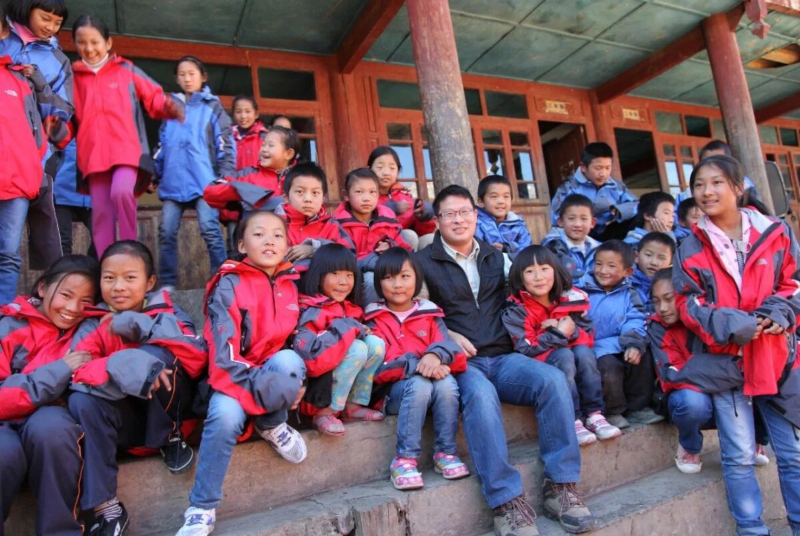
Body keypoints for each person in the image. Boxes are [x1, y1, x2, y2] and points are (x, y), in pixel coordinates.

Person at [416, 185, 594, 535]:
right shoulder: (422, 262)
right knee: (482, 397)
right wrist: (447, 335)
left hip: (505, 355)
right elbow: (416, 311)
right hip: (463, 362)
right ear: (437, 220)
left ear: (475, 215)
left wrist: (562, 316)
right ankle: (505, 502)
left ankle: (561, 487)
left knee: (552, 380)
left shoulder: (497, 257)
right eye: (449, 214)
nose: (458, 220)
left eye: (464, 212)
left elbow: (536, 290)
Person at [674, 154, 800, 536]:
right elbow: (687, 303)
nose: (706, 191)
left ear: (738, 187)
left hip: (778, 358)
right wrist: (733, 324)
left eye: (716, 182)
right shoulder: (690, 246)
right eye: (699, 185)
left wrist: (778, 313)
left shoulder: (775, 231)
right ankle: (752, 530)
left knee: (793, 454)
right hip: (726, 363)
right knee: (740, 456)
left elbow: (794, 282)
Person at [176, 210, 307, 536]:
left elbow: (293, 341)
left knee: (291, 361)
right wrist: (274, 387)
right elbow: (224, 358)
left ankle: (271, 424)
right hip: (231, 376)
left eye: (278, 235)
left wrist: (296, 383)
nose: (270, 241)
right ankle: (201, 507)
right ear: (242, 245)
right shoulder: (228, 284)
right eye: (259, 234)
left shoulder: (289, 283)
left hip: (267, 372)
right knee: (224, 415)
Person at [68, 241, 206, 535]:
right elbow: (77, 370)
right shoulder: (93, 323)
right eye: (109, 278)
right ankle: (106, 507)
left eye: (130, 278)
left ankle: (169, 437)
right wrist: (119, 365)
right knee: (81, 400)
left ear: (150, 282)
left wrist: (139, 328)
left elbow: (197, 359)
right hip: (126, 418)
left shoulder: (168, 311)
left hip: (170, 412)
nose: (118, 287)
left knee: (158, 357)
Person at [71, 14, 184, 257]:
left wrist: (169, 106)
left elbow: (153, 97)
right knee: (101, 212)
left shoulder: (126, 70)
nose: (89, 48)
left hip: (126, 151)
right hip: (92, 155)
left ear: (108, 43)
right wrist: (54, 129)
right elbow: (67, 117)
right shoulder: (73, 77)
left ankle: (130, 251)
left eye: (95, 42)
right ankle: (107, 264)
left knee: (121, 192)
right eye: (82, 42)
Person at [0, 255, 98, 536]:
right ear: (42, 288)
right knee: (4, 452)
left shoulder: (87, 332)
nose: (72, 308)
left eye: (85, 301)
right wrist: (60, 370)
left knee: (54, 430)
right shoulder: (9, 324)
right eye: (66, 295)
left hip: (48, 417)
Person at [366, 247, 468, 490]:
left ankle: (445, 453)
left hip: (434, 391)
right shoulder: (374, 319)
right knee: (420, 383)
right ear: (378, 283)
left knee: (447, 382)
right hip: (393, 395)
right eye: (389, 277)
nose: (398, 284)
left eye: (405, 276)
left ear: (417, 279)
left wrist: (436, 355)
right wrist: (421, 365)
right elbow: (380, 370)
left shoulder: (430, 315)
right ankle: (404, 459)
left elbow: (455, 355)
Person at [502, 245, 620, 446]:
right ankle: (572, 418)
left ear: (556, 271)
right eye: (530, 271)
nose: (538, 277)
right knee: (564, 356)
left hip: (571, 353)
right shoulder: (516, 309)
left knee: (584, 353)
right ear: (519, 278)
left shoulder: (571, 299)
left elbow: (588, 337)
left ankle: (594, 414)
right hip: (542, 362)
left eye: (544, 269)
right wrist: (557, 334)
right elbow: (526, 347)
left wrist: (567, 330)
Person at [2, 0, 75, 274]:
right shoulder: (3, 37)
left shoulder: (58, 59)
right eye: (45, 18)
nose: (50, 27)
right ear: (26, 9)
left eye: (57, 23)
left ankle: (45, 290)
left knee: (16, 247)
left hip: (32, 159)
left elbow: (63, 112)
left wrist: (39, 83)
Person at [155, 55, 232, 290]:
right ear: (177, 79)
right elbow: (161, 146)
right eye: (182, 74)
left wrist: (225, 177)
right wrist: (155, 173)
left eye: (192, 74)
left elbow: (226, 144)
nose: (187, 79)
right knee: (166, 231)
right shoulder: (170, 108)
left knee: (209, 229)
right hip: (173, 182)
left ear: (203, 77)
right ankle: (168, 283)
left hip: (204, 181)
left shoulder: (213, 107)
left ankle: (221, 279)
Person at [293, 244, 385, 436]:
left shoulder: (352, 309)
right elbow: (312, 361)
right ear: (318, 276)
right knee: (357, 348)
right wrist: (349, 329)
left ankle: (353, 406)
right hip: (317, 391)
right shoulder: (310, 310)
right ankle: (324, 412)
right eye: (335, 274)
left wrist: (360, 330)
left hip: (339, 384)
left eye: (349, 275)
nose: (343, 282)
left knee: (375, 344)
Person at [578, 240, 657, 429]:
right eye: (598, 264)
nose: (603, 270)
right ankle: (613, 411)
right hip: (595, 348)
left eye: (611, 266)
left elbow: (635, 319)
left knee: (642, 356)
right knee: (609, 367)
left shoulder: (630, 294)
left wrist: (633, 344)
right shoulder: (582, 291)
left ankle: (638, 407)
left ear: (627, 272)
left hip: (621, 343)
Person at [205, 126, 300, 258]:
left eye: (270, 145)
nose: (264, 149)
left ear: (288, 154)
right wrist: (242, 191)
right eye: (263, 144)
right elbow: (210, 191)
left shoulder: (299, 179)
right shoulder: (247, 174)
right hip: (251, 249)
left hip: (289, 249)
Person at [334, 168, 412, 304]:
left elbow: (407, 250)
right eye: (359, 192)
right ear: (346, 195)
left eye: (372, 192)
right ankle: (371, 314)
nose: (366, 198)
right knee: (371, 279)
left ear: (378, 195)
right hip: (356, 278)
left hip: (389, 271)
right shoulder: (338, 224)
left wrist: (391, 246)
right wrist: (371, 260)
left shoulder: (388, 218)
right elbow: (341, 261)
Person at [551, 142, 638, 241]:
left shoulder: (616, 186)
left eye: (607, 168)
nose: (603, 174)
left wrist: (618, 210)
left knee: (641, 216)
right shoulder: (569, 187)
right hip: (580, 233)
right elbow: (556, 218)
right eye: (598, 168)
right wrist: (591, 209)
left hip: (605, 231)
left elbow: (637, 204)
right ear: (583, 167)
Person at [278, 162, 354, 271]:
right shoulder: (277, 225)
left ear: (323, 198)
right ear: (286, 197)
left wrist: (314, 249)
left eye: (315, 193)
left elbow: (348, 256)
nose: (308, 199)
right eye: (300, 192)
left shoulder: (331, 226)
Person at [368, 146, 436, 251]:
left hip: (407, 243)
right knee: (409, 236)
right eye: (380, 167)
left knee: (431, 238)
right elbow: (364, 220)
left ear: (398, 171)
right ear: (369, 169)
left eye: (392, 168)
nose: (386, 172)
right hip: (378, 243)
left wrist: (424, 218)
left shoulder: (404, 195)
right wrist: (389, 209)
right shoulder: (365, 194)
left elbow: (422, 232)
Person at [542, 193, 600, 285]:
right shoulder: (554, 246)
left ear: (592, 223)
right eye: (571, 218)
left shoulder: (599, 248)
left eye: (584, 219)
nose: (577, 224)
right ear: (560, 222)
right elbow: (567, 275)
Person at [52, 140, 96, 257]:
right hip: (61, 190)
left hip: (92, 191)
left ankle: (90, 267)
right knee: (62, 243)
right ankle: (64, 269)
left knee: (101, 239)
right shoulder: (62, 127)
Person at [475, 175, 532, 263]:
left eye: (506, 196)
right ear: (481, 201)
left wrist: (507, 247)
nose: (501, 201)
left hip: (516, 267)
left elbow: (527, 251)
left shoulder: (518, 224)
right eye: (494, 196)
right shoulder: (476, 223)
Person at [630, 232, 675, 316]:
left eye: (661, 258)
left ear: (671, 262)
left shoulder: (673, 286)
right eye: (648, 255)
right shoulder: (626, 283)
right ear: (636, 256)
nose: (654, 262)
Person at [230, 94, 267, 171]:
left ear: (256, 114)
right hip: (231, 178)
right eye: (238, 112)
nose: (243, 116)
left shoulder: (264, 137)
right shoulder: (228, 136)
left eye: (247, 111)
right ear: (233, 114)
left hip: (256, 178)